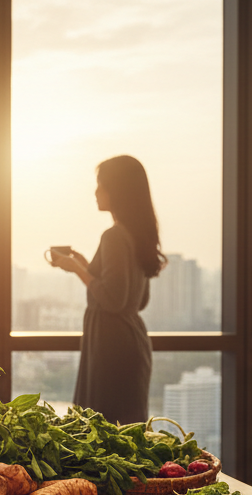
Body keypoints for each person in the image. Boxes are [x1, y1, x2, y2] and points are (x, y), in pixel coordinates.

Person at [49, 155, 166, 425]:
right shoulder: (135, 235)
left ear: (118, 190)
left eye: (101, 184)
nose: (96, 191)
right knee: (126, 431)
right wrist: (87, 266)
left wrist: (76, 269)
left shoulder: (113, 236)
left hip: (111, 348)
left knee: (100, 429)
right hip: (131, 342)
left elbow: (113, 299)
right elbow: (136, 299)